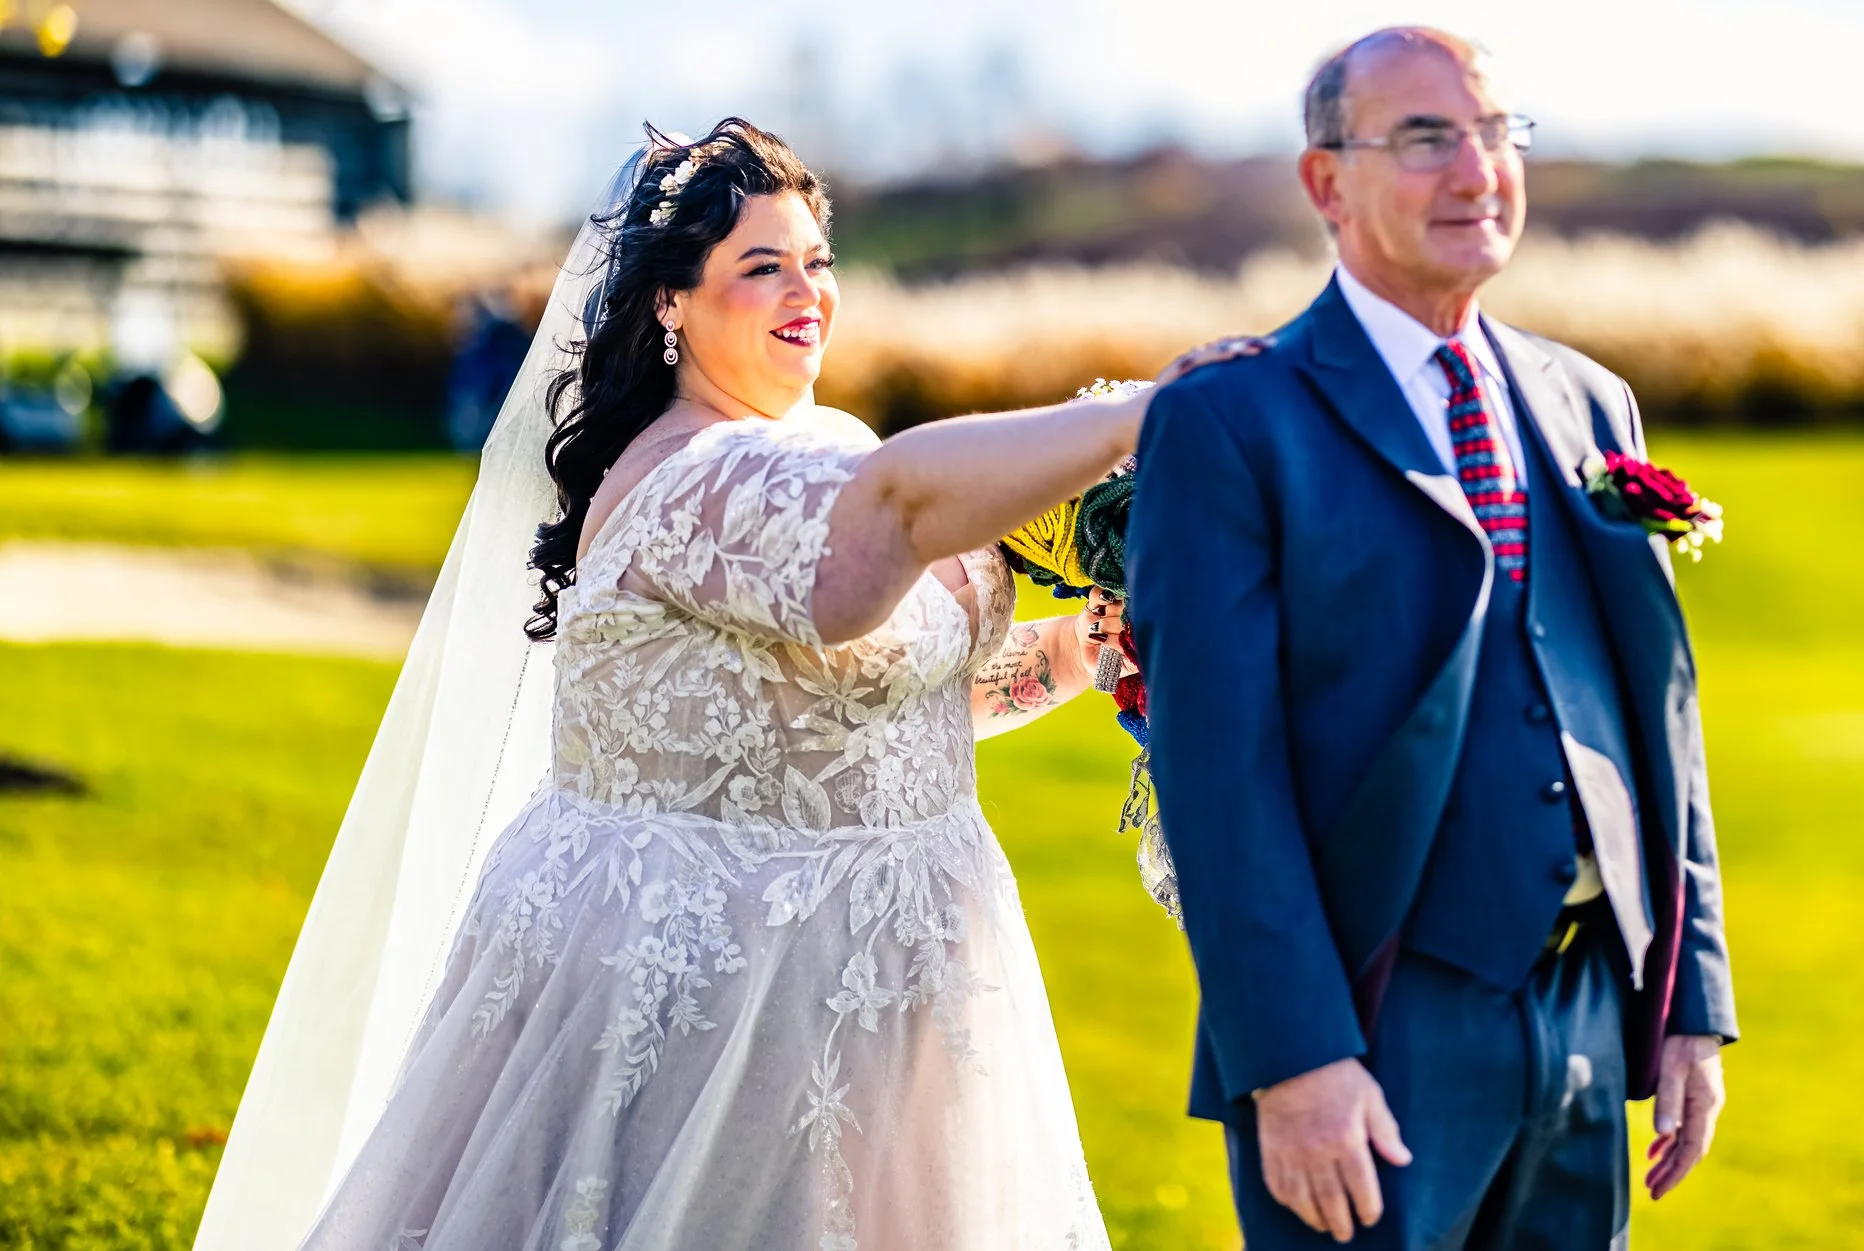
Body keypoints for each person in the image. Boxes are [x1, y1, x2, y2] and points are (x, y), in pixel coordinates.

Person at [198, 119, 1252, 1251]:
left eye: (817, 260)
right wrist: (1129, 421)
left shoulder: (833, 439)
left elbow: (888, 702)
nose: (808, 290)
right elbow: (864, 557)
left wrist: (1088, 650)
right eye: (762, 267)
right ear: (669, 302)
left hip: (897, 983)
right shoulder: (688, 476)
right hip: (721, 1001)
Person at [1128, 28, 1738, 1249]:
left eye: (1496, 131)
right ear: (1324, 183)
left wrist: (1689, 998)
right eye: (1423, 138)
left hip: (1581, 1005)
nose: (1476, 170)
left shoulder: (1585, 398)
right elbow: (1217, 776)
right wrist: (1294, 1058)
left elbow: (1653, 706)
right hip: (1370, 1024)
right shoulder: (1229, 421)